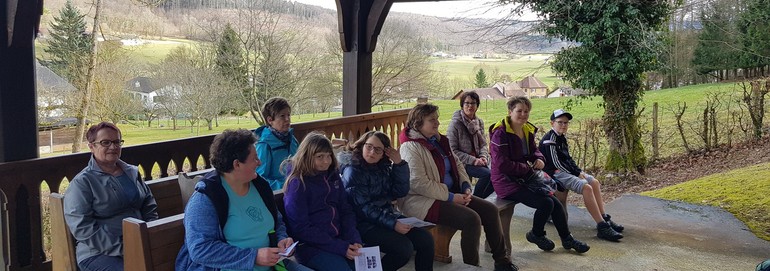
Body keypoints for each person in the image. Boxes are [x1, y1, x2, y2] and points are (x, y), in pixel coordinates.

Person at [398, 104, 519, 271]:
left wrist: (465, 187)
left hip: (451, 194)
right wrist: (451, 197)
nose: (437, 123)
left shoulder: (439, 141)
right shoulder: (410, 147)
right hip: (422, 201)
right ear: (418, 123)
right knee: (471, 219)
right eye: (432, 120)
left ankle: (502, 261)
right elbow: (418, 183)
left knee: (490, 210)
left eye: (437, 119)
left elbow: (458, 164)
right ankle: (471, 266)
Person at [175, 129, 310, 271]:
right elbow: (200, 249)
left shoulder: (260, 186)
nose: (259, 162)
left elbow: (277, 222)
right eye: (254, 159)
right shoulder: (206, 198)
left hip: (275, 266)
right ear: (237, 164)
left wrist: (282, 239)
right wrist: (253, 257)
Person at [489, 97, 590, 253]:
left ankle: (567, 239)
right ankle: (536, 234)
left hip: (525, 178)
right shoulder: (500, 133)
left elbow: (534, 151)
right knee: (546, 203)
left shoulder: (526, 130)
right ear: (510, 112)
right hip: (506, 182)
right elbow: (501, 164)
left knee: (554, 200)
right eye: (519, 111)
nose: (523, 114)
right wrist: (527, 170)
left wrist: (539, 159)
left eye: (526, 111)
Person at [64, 122, 158, 271]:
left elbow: (148, 203)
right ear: (91, 146)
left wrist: (151, 231)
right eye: (105, 142)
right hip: (98, 253)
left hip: (140, 243)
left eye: (116, 142)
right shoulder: (82, 183)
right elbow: (82, 227)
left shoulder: (131, 172)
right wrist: (122, 248)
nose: (113, 147)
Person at [338, 131, 434, 271]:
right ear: (362, 145)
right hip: (362, 223)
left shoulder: (382, 167)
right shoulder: (353, 170)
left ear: (385, 153)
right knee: (403, 248)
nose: (371, 152)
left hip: (385, 216)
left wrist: (399, 164)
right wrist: (393, 224)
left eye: (378, 150)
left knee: (425, 239)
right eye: (369, 146)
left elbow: (399, 192)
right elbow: (363, 208)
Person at [540, 109, 624, 241]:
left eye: (566, 123)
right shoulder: (549, 140)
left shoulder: (561, 138)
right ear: (552, 123)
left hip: (565, 171)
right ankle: (602, 227)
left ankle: (604, 218)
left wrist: (579, 172)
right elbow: (557, 164)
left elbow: (568, 160)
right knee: (586, 187)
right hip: (555, 174)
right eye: (560, 122)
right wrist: (577, 175)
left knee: (594, 182)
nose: (563, 125)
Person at [283, 132, 362, 271]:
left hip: (338, 239)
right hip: (310, 247)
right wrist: (339, 247)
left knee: (365, 265)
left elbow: (345, 209)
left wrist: (353, 239)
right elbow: (301, 228)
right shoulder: (297, 183)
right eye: (319, 157)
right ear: (306, 156)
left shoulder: (332, 176)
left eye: (328, 156)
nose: (326, 161)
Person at [447, 91, 494, 199]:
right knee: (489, 175)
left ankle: (476, 200)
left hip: (478, 159)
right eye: (466, 103)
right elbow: (452, 150)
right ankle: (476, 200)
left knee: (498, 175)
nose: (470, 106)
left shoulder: (479, 122)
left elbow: (483, 144)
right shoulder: (455, 124)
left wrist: (483, 157)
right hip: (462, 162)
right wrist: (473, 160)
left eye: (473, 103)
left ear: (477, 105)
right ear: (462, 105)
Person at [254, 97, 299, 190]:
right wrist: (285, 185)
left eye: (288, 115)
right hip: (278, 194)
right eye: (282, 116)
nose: (287, 119)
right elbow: (258, 179)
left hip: (298, 187)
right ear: (270, 120)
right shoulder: (264, 145)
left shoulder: (292, 139)